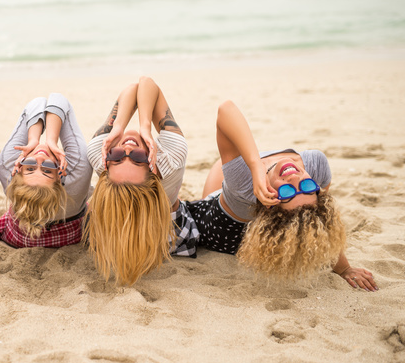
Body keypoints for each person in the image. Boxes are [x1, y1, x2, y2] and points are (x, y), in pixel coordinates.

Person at [183, 100, 378, 291]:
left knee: (222, 164)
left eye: (287, 193)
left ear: (269, 203)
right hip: (243, 211)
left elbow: (225, 110)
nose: (294, 178)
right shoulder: (316, 165)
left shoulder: (242, 183)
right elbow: (319, 224)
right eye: (308, 186)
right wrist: (345, 267)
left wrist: (254, 165)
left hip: (219, 228)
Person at [84, 76, 195, 286]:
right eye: (137, 159)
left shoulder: (101, 155)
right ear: (154, 174)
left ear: (106, 168)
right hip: (170, 225)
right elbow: (147, 84)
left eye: (117, 159)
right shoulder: (171, 157)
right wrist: (145, 127)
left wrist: (120, 126)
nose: (126, 149)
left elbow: (135, 87)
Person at [0, 93, 92, 247]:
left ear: (18, 173)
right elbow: (59, 100)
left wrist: (33, 140)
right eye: (48, 169)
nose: (40, 158)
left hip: (19, 237)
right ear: (60, 178)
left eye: (30, 168)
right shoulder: (77, 177)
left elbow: (37, 103)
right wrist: (51, 140)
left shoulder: (7, 170)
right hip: (69, 235)